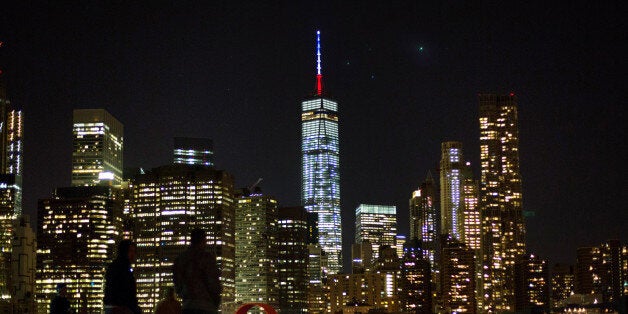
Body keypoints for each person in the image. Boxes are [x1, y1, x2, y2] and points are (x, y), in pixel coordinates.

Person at [173, 228, 221, 314]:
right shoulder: (206, 258)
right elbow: (213, 283)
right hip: (206, 306)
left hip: (188, 305)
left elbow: (177, 283)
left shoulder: (181, 259)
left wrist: (184, 293)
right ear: (203, 240)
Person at [103, 240, 142, 314]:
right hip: (120, 308)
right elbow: (126, 291)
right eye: (130, 251)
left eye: (134, 251)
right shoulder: (123, 268)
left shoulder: (116, 266)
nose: (133, 254)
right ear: (124, 251)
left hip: (113, 307)